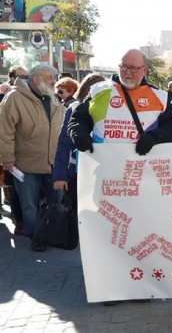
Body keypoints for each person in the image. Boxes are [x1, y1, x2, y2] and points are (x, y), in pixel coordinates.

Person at [0, 64, 64, 252]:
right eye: (51, 77)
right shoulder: (14, 98)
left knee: (57, 201)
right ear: (36, 79)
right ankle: (36, 237)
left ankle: (52, 233)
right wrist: (8, 159)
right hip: (25, 165)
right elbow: (5, 131)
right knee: (29, 205)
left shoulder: (52, 96)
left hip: (52, 163)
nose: (54, 80)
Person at [68, 49, 172, 156]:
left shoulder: (161, 97)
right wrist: (79, 135)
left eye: (133, 68)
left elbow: (171, 129)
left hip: (141, 167)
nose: (128, 72)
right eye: (124, 67)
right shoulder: (99, 90)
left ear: (144, 70)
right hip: (103, 165)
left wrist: (154, 137)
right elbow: (78, 119)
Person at [53, 73, 106, 216]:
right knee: (81, 216)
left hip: (103, 173)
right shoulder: (75, 107)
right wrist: (60, 176)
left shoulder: (111, 110)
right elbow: (64, 143)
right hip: (78, 173)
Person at [1, 65, 28, 233]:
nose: (25, 79)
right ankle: (20, 221)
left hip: (27, 151)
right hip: (8, 150)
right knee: (14, 189)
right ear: (12, 78)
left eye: (27, 76)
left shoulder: (31, 94)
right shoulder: (4, 95)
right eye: (21, 76)